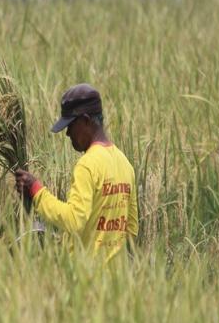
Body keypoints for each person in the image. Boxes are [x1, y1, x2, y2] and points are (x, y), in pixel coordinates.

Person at [14, 83, 138, 262]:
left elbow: (74, 220)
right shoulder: (125, 164)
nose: (67, 134)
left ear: (86, 121)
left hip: (85, 278)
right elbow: (131, 228)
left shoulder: (87, 165)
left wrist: (36, 191)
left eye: (70, 126)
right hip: (115, 281)